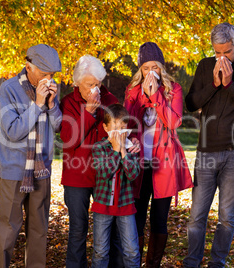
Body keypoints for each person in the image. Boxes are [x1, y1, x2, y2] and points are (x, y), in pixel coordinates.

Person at [183, 23, 234, 268]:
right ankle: (192, 262)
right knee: (196, 216)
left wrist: (230, 84)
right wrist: (215, 84)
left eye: (226, 52)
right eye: (217, 52)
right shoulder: (205, 66)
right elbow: (190, 103)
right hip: (206, 152)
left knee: (226, 217)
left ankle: (217, 262)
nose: (221, 58)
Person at [60, 55, 140, 267]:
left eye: (98, 83)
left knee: (112, 230)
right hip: (78, 175)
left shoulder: (110, 99)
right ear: (78, 83)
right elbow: (68, 140)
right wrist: (88, 112)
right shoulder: (68, 103)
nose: (95, 89)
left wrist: (130, 140)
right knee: (78, 229)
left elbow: (120, 125)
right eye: (89, 84)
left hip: (107, 175)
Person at [0, 44, 62, 267]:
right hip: (14, 171)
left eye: (51, 75)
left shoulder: (50, 89)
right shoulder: (9, 89)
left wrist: (51, 105)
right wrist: (38, 104)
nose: (48, 79)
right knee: (6, 230)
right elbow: (13, 131)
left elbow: (59, 126)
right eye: (44, 74)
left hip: (41, 170)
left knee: (39, 231)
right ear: (28, 66)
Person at [124, 42, 193, 267]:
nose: (150, 72)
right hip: (139, 162)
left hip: (164, 164)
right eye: (145, 68)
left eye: (155, 66)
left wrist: (156, 97)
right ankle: (134, 262)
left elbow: (173, 122)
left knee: (159, 220)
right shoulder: (132, 90)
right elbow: (128, 121)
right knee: (137, 216)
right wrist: (144, 95)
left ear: (161, 68)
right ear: (140, 70)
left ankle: (152, 264)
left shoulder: (174, 90)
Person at [91, 104, 141, 268]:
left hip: (125, 206)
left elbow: (133, 175)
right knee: (100, 252)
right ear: (106, 128)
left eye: (123, 127)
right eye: (116, 127)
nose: (120, 131)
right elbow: (105, 174)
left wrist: (124, 153)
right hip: (102, 206)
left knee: (132, 251)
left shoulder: (132, 148)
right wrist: (115, 150)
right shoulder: (99, 148)